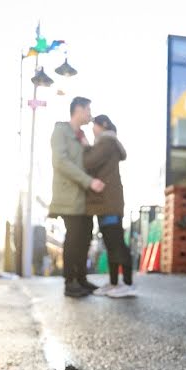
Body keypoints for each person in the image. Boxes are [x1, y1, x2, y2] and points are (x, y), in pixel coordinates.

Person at [48, 96, 105, 298]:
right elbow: (60, 162)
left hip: (84, 198)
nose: (90, 114)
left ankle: (81, 278)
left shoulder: (83, 136)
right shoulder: (61, 131)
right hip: (68, 195)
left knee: (85, 236)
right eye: (88, 109)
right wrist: (89, 182)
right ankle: (69, 281)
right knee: (73, 237)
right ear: (78, 110)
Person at [83, 115, 136, 298]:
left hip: (109, 201)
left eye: (94, 126)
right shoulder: (106, 142)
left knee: (116, 243)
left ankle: (127, 284)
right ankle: (114, 283)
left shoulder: (106, 142)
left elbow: (88, 162)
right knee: (111, 243)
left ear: (102, 125)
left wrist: (84, 146)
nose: (92, 129)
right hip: (105, 201)